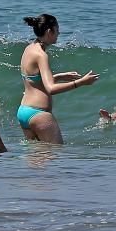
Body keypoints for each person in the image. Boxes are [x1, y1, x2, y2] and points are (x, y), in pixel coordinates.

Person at [18, 14, 98, 144]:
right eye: (57, 30)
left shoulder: (29, 49)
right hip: (39, 113)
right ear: (50, 31)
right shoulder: (41, 55)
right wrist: (81, 82)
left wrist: (60, 76)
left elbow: (33, 81)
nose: (59, 33)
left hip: (24, 111)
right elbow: (51, 89)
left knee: (35, 159)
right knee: (56, 155)